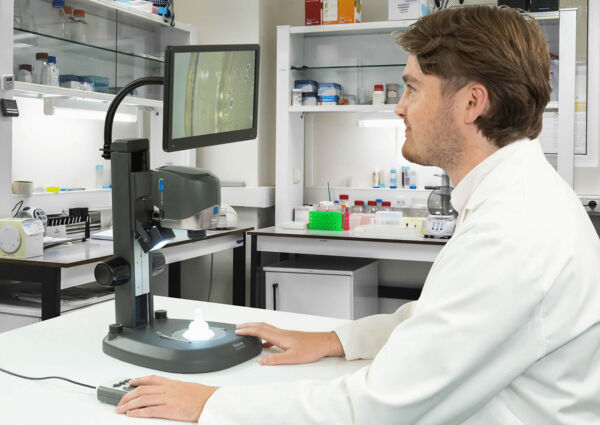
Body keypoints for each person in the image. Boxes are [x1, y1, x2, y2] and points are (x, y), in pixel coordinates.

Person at [115, 5, 600, 424]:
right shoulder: (519, 197)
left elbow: (375, 411)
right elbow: (443, 321)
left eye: (412, 88)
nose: (399, 107)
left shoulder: (513, 230)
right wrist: (334, 340)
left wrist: (212, 406)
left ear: (472, 102)